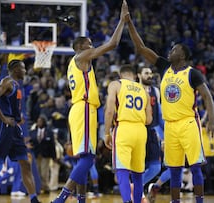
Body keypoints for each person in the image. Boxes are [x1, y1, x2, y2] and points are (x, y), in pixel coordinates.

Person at [126, 11, 214, 203]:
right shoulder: (164, 67)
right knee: (174, 170)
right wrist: (129, 23)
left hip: (188, 123)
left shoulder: (192, 74)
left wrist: (211, 122)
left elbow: (207, 97)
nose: (171, 50)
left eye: (175, 49)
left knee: (195, 167)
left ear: (183, 55)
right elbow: (141, 47)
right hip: (169, 126)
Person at [51, 1, 129, 202]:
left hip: (79, 109)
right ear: (80, 47)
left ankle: (81, 199)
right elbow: (112, 44)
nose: (92, 46)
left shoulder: (74, 65)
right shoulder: (82, 56)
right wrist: (121, 22)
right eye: (89, 43)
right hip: (84, 109)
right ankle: (61, 198)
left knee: (83, 159)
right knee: (88, 159)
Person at [0, 59, 41, 203]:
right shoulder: (7, 82)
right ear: (16, 69)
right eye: (23, 68)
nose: (25, 71)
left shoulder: (16, 85)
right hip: (5, 126)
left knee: (25, 162)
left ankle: (33, 199)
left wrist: (17, 117)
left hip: (15, 127)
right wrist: (3, 118)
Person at [104, 64, 153, 203]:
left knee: (122, 171)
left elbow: (109, 110)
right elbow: (149, 119)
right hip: (141, 130)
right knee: (138, 174)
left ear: (121, 75)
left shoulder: (116, 84)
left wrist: (107, 133)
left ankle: (127, 201)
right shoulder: (144, 90)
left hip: (124, 128)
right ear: (135, 76)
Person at [137, 66, 163, 197]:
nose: (150, 75)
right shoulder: (135, 90)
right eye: (146, 73)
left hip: (152, 131)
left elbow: (159, 115)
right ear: (139, 75)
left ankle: (137, 186)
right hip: (138, 130)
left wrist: (162, 135)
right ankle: (135, 190)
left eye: (151, 73)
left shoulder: (156, 91)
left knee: (156, 167)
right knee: (138, 165)